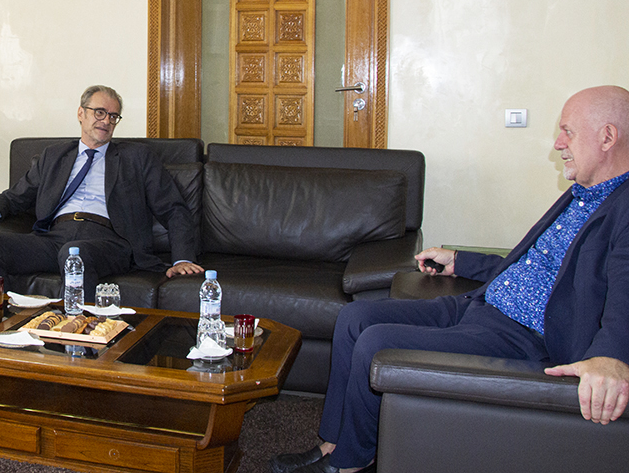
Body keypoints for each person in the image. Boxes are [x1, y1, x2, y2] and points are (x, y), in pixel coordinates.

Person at [268, 85, 629, 473]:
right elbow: (532, 267)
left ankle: (350, 464)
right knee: (356, 318)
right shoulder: (583, 194)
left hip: (522, 336)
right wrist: (460, 261)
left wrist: (612, 356)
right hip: (481, 306)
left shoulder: (622, 205)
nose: (558, 143)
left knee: (377, 340)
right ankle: (335, 443)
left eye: (567, 131)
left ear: (607, 137)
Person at [0, 84, 203, 293]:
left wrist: (181, 259)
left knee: (74, 253)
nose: (106, 121)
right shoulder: (53, 155)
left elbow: (173, 208)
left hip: (109, 242)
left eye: (113, 116)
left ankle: (75, 334)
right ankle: (1, 322)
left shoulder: (137, 157)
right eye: (99, 112)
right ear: (81, 113)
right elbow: (18, 195)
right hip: (54, 239)